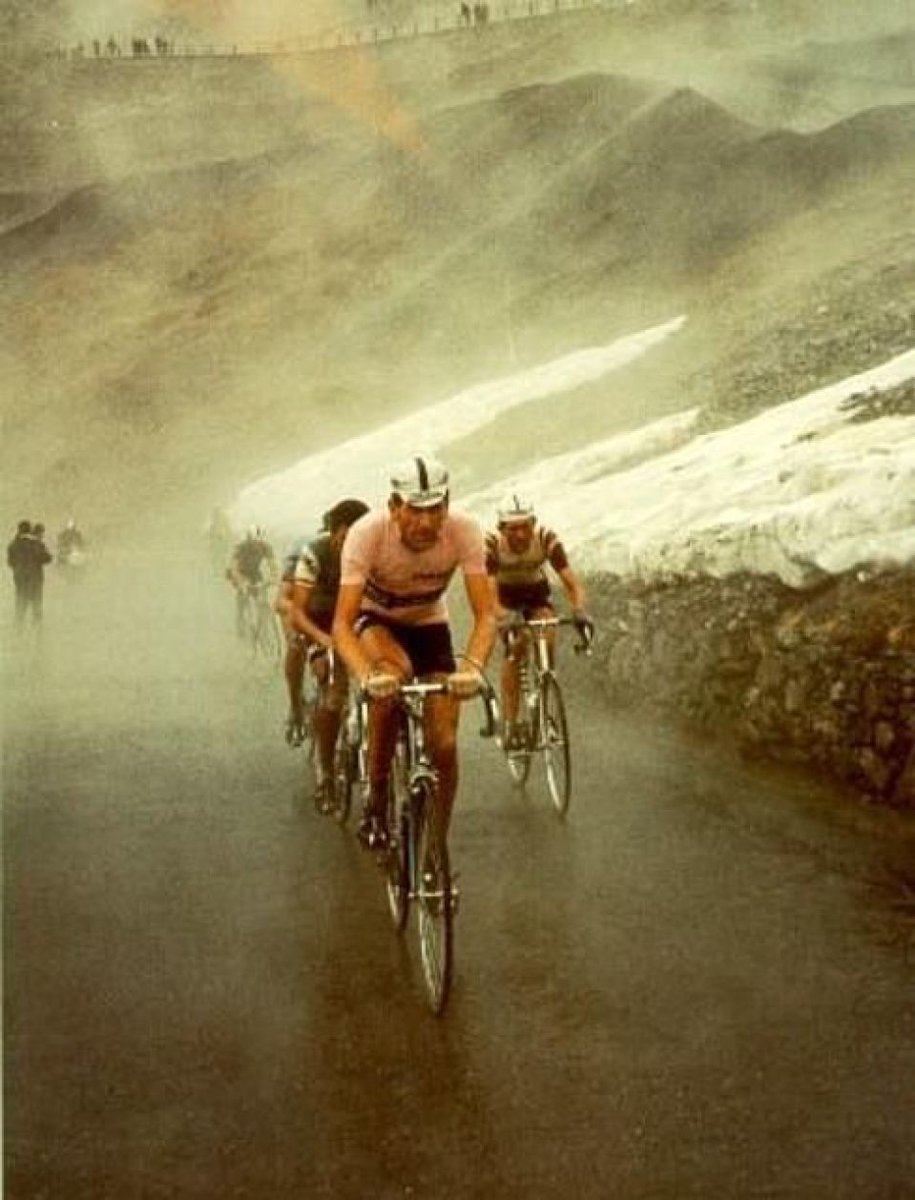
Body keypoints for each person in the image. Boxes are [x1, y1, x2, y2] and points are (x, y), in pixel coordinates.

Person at [333, 456, 496, 850]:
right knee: (394, 674)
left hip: (428, 624)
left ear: (448, 504)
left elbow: (487, 614)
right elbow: (341, 624)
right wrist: (367, 677)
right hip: (377, 622)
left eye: (435, 509)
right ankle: (376, 797)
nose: (426, 523)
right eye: (415, 510)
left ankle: (437, 842)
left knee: (444, 743)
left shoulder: (464, 530)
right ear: (393, 507)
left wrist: (472, 667)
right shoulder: (366, 533)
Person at [280, 498, 371, 805]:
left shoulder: (371, 551)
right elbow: (296, 612)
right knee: (333, 693)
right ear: (334, 532)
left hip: (353, 621)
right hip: (317, 621)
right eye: (347, 537)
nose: (353, 545)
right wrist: (322, 642)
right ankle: (326, 770)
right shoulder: (313, 553)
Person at [485, 494, 593, 748]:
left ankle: (545, 696)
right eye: (513, 529)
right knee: (516, 647)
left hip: (536, 594)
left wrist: (579, 609)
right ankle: (511, 723)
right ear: (502, 529)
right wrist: (503, 616)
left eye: (526, 526)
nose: (521, 535)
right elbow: (488, 597)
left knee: (548, 632)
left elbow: (572, 583)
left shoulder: (545, 538)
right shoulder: (490, 545)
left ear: (533, 523)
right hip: (504, 597)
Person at [227, 527, 275, 637]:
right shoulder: (241, 547)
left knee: (261, 597)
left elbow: (273, 565)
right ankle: (241, 626)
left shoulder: (265, 547)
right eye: (252, 543)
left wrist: (273, 578)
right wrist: (241, 583)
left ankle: (263, 627)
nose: (254, 545)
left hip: (255, 573)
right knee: (243, 597)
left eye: (257, 543)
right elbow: (234, 568)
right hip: (240, 572)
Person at [7, 520, 53, 626]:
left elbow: (10, 562)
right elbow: (47, 558)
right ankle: (37, 631)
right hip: (35, 579)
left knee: (20, 604)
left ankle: (18, 630)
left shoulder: (13, 545)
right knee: (36, 605)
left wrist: (18, 568)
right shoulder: (36, 544)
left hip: (20, 579)